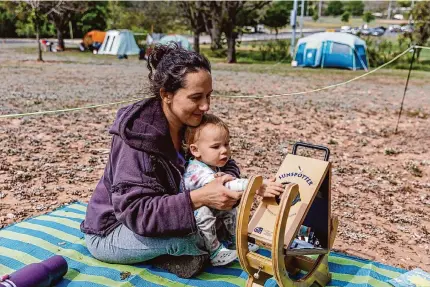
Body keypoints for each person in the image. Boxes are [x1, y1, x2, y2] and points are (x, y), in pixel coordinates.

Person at [80, 43, 243, 278]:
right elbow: (136, 213)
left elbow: (224, 160)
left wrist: (228, 181)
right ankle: (182, 253)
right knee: (197, 235)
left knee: (218, 223)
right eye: (196, 97)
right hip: (113, 230)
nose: (205, 106)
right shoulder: (137, 139)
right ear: (166, 94)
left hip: (165, 214)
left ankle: (192, 249)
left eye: (209, 96)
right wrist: (201, 197)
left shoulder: (191, 123)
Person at [183, 114, 285, 266]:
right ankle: (215, 252)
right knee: (204, 213)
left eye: (227, 144)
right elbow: (225, 187)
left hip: (208, 206)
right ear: (195, 150)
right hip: (191, 220)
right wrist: (255, 185)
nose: (224, 150)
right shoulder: (196, 172)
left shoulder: (212, 164)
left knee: (230, 208)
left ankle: (235, 240)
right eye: (216, 146)